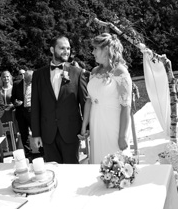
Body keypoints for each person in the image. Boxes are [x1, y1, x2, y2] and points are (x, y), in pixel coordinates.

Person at [31, 35, 88, 164]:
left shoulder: (77, 73)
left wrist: (87, 128)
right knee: (52, 171)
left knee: (72, 170)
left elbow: (84, 103)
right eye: (62, 48)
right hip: (47, 133)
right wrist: (36, 134)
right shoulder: (38, 75)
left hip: (71, 131)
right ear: (52, 50)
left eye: (68, 48)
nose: (66, 51)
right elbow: (35, 106)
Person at [79, 33, 133, 164]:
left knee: (116, 163)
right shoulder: (94, 71)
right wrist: (84, 126)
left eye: (95, 49)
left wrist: (122, 136)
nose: (92, 52)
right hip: (96, 123)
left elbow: (126, 106)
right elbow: (89, 100)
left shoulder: (121, 72)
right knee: (98, 161)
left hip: (113, 124)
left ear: (106, 49)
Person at [12, 70, 34, 155]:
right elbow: (12, 97)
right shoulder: (17, 84)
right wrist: (15, 102)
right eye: (27, 81)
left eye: (30, 81)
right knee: (24, 134)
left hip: (32, 112)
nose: (28, 83)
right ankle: (28, 153)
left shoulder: (37, 84)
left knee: (36, 132)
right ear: (24, 77)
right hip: (21, 112)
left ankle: (42, 151)